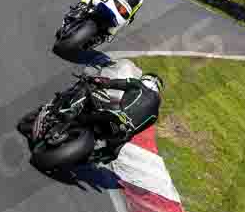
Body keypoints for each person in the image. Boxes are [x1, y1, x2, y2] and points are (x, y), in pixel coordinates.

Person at [17, 59, 164, 165]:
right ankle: (90, 157)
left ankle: (68, 112)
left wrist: (97, 80)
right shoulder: (155, 115)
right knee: (108, 153)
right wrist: (115, 147)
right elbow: (135, 131)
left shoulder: (138, 85)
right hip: (121, 132)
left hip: (114, 116)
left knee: (87, 90)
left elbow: (114, 83)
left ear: (146, 79)